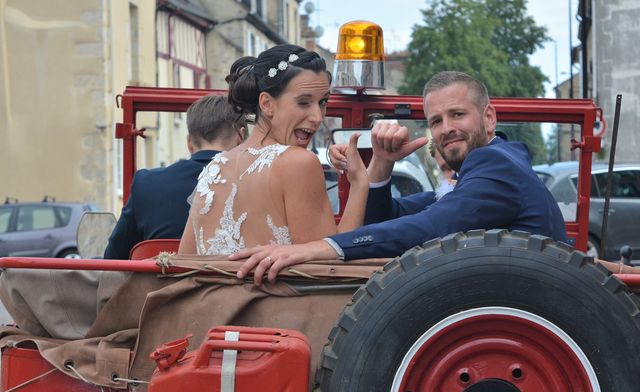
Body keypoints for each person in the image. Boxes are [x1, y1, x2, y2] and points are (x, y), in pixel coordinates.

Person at [230, 71, 568, 284]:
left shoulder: (496, 164)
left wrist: (315, 249)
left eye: (458, 115)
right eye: (436, 121)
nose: (446, 128)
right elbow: (391, 219)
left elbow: (431, 226)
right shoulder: (485, 170)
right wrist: (381, 164)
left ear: (489, 118)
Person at [178, 44, 368, 255]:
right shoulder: (299, 163)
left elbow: (185, 260)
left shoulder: (215, 168)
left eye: (323, 102)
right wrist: (359, 182)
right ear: (267, 104)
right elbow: (328, 264)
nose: (318, 117)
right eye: (304, 103)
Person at [103, 94, 247, 259]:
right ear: (240, 138)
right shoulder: (258, 184)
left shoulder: (146, 183)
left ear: (189, 143)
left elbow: (114, 257)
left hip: (160, 284)